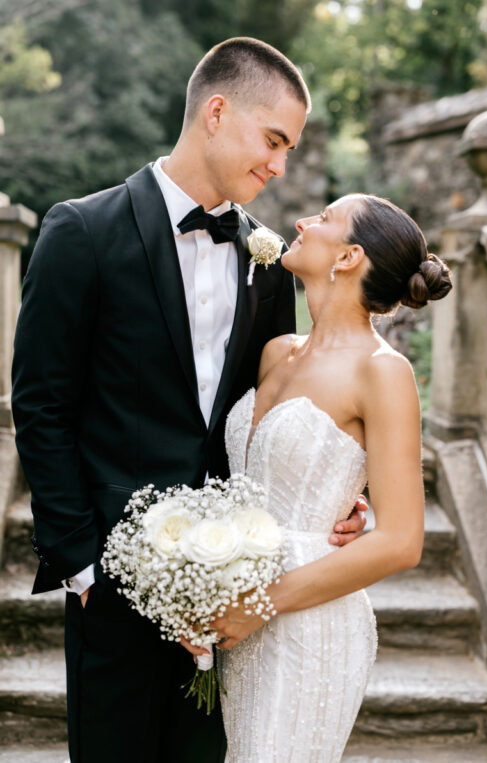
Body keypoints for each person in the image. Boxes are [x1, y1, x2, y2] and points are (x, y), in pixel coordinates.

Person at [12, 38, 365, 762]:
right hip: (111, 585)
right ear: (216, 111)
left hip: (234, 600)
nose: (279, 165)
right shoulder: (81, 231)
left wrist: (336, 497)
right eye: (273, 140)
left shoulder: (268, 265)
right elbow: (41, 406)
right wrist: (84, 569)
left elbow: (270, 413)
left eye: (290, 148)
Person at [179, 193, 451, 761]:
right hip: (238, 606)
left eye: (324, 219)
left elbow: (402, 542)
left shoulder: (384, 372)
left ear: (349, 258)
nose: (302, 222)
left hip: (308, 620)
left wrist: (260, 604)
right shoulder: (278, 352)